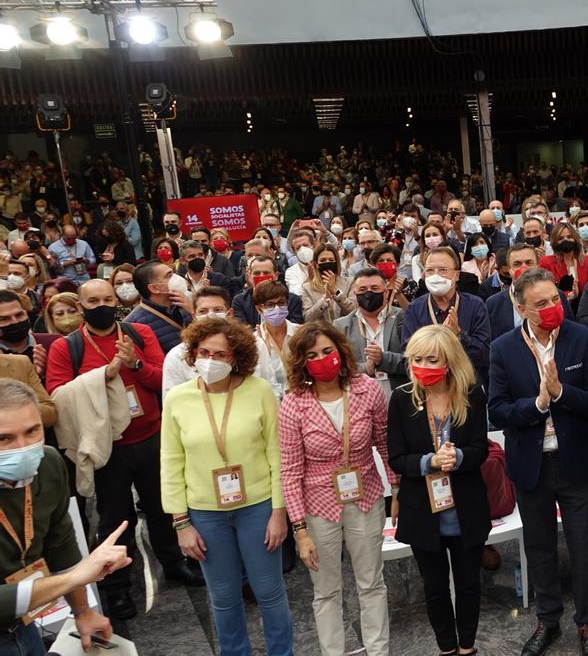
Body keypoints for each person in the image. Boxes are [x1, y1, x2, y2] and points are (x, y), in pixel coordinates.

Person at [45, 279, 203, 620]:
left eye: (107, 298)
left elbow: (162, 378)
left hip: (150, 435)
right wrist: (104, 374)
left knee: (163, 508)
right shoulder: (66, 347)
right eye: (93, 300)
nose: (101, 305)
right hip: (107, 447)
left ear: (116, 301)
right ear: (82, 307)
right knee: (116, 519)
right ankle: (116, 587)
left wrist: (134, 365)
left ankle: (175, 563)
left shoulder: (139, 334)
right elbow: (57, 396)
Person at [487, 268, 588, 656]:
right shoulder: (503, 348)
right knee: (538, 547)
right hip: (530, 465)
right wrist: (538, 404)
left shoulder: (582, 338)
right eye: (541, 303)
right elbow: (498, 410)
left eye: (555, 298)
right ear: (521, 308)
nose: (553, 307)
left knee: (585, 547)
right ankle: (548, 620)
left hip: (575, 461)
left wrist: (560, 392)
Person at [160, 317, 292, 655]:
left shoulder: (259, 390)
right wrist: (181, 523)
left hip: (258, 507)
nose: (210, 359)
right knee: (223, 595)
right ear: (192, 353)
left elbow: (276, 453)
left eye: (220, 354)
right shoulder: (178, 398)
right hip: (204, 513)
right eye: (204, 352)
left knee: (269, 591)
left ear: (236, 357)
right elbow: (171, 462)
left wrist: (280, 512)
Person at [280, 322, 394, 656]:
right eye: (312, 355)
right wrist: (300, 531)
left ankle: (378, 650)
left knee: (371, 582)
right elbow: (289, 471)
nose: (322, 359)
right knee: (326, 591)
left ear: (341, 352)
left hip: (366, 496)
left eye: (328, 351)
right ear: (302, 362)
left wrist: (397, 488)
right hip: (317, 506)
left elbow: (384, 443)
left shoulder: (366, 388)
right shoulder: (293, 404)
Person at [0, 380, 123, 653]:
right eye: (4, 438)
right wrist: (75, 578)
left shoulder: (49, 463)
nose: (22, 447)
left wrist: (83, 611)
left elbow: (61, 543)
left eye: (32, 431)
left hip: (23, 625)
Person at [390, 325, 490, 656]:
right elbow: (397, 458)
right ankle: (446, 648)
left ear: (449, 360)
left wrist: (458, 457)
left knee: (469, 585)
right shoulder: (402, 399)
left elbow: (480, 449)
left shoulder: (473, 395)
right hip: (423, 512)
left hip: (466, 509)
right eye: (417, 359)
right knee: (434, 589)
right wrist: (428, 462)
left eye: (431, 359)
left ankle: (467, 647)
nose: (423, 367)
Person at [401, 247, 491, 385]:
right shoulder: (414, 309)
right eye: (430, 270)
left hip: (467, 386)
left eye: (443, 270)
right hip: (429, 386)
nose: (436, 276)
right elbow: (408, 356)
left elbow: (484, 355)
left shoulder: (475, 305)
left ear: (457, 275)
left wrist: (459, 335)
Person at [335, 268, 406, 394]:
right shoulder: (341, 325)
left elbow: (415, 360)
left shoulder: (404, 318)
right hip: (359, 398)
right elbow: (338, 367)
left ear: (385, 292)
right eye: (362, 290)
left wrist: (383, 359)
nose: (368, 293)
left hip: (400, 394)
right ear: (354, 293)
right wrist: (365, 367)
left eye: (375, 288)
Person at [162, 286, 234, 395]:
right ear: (194, 316)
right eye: (203, 311)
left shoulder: (252, 346)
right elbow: (171, 399)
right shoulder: (177, 355)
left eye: (217, 310)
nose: (211, 315)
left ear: (229, 314)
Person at [125, 260, 193, 353]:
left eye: (174, 273)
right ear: (154, 288)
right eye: (169, 276)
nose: (176, 278)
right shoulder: (133, 325)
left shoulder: (186, 306)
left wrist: (194, 312)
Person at [233, 255, 305, 327]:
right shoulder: (240, 301)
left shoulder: (292, 300)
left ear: (276, 276)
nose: (261, 276)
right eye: (257, 273)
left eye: (266, 273)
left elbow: (296, 328)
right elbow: (242, 330)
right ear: (249, 275)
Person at [541, 223, 588, 308]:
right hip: (561, 307)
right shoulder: (546, 262)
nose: (566, 240)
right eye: (561, 238)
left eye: (569, 237)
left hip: (586, 307)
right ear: (555, 242)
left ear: (575, 239)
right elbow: (547, 291)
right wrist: (568, 296)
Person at [299, 243, 356, 322]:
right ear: (316, 264)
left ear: (336, 262)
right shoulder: (307, 288)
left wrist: (337, 293)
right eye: (323, 260)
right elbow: (307, 318)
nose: (327, 262)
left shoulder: (350, 282)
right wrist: (324, 300)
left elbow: (355, 312)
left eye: (331, 260)